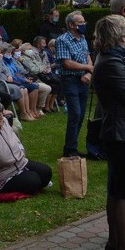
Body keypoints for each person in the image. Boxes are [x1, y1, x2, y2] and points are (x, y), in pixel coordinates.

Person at [92, 15, 125, 250]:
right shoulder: (111, 62)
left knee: (120, 191)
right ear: (121, 36)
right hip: (124, 134)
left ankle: (115, 243)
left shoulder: (119, 58)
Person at [55, 11, 93, 157]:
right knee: (75, 114)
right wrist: (88, 68)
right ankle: (69, 149)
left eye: (84, 23)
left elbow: (88, 58)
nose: (83, 25)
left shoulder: (83, 38)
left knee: (81, 114)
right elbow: (67, 63)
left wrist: (89, 73)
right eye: (80, 23)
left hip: (84, 80)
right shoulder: (62, 40)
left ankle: (73, 147)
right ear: (71, 25)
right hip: (70, 80)